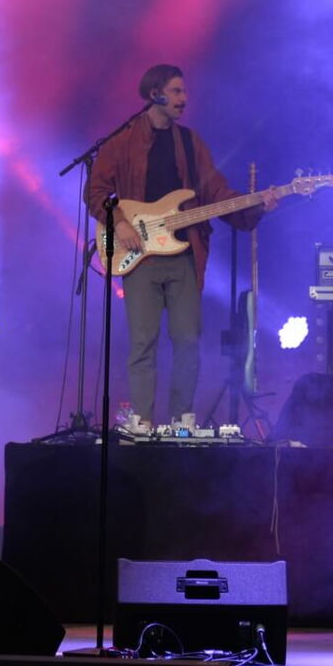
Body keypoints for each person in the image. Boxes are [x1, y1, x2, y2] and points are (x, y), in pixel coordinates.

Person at [84, 64, 280, 428]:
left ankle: (181, 419)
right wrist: (120, 222)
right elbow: (96, 191)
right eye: (176, 91)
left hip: (186, 254)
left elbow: (217, 193)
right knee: (143, 342)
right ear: (154, 94)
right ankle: (141, 420)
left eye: (184, 92)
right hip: (139, 256)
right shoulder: (122, 141)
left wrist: (256, 205)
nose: (183, 98)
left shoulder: (191, 143)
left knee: (188, 340)